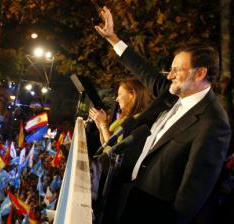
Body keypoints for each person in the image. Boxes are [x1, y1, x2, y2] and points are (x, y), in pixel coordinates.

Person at [94, 6, 231, 224]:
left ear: (200, 73)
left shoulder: (213, 123)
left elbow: (193, 192)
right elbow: (144, 70)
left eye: (178, 70)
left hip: (155, 214)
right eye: (171, 69)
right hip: (128, 196)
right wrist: (113, 38)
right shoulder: (171, 95)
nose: (171, 76)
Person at [88, 79, 150, 224]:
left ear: (132, 95)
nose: (116, 98)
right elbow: (105, 146)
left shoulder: (136, 121)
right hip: (106, 173)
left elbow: (115, 150)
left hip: (115, 181)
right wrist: (99, 126)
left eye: (120, 94)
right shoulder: (124, 117)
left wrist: (103, 125)